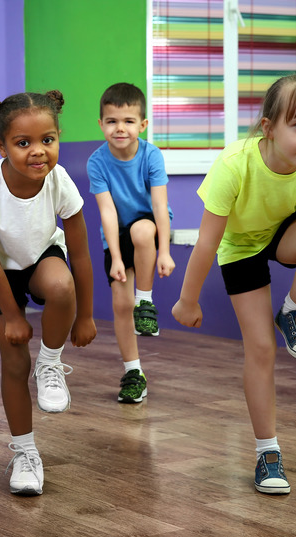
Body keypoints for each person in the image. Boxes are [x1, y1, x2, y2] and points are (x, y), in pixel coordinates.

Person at [171, 74, 296, 495]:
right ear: (268, 127)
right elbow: (207, 241)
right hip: (239, 248)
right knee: (261, 350)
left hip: (281, 230)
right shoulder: (233, 166)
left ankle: (292, 310)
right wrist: (188, 299)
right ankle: (267, 453)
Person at [0, 91, 97, 496]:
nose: (38, 152)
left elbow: (80, 253)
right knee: (14, 363)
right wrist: (15, 317)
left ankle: (51, 364)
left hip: (40, 256)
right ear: (1, 146)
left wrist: (86, 315)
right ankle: (25, 453)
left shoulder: (60, 181)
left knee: (60, 284)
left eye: (48, 140)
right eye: (24, 143)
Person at [87, 83, 174, 403]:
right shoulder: (97, 162)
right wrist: (116, 258)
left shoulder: (151, 155)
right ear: (101, 124)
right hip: (116, 233)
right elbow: (107, 212)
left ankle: (146, 300)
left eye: (128, 121)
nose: (119, 128)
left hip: (148, 227)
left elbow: (160, 207)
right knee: (119, 305)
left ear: (143, 125)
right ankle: (134, 371)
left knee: (141, 231)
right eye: (111, 121)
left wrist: (164, 250)